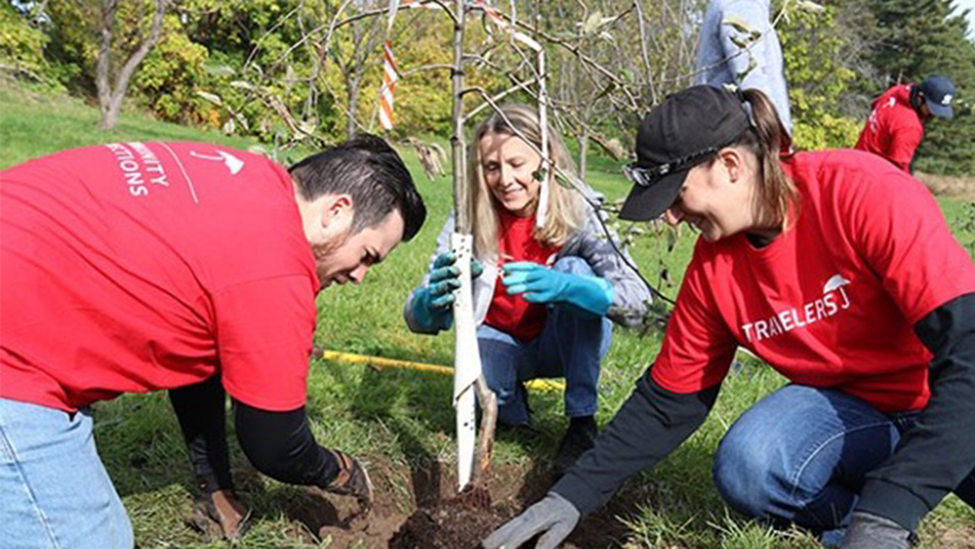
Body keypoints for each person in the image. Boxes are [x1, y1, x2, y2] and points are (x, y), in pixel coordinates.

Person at [483, 85, 975, 549]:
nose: (672, 217)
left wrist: (891, 507)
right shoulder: (714, 268)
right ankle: (859, 521)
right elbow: (669, 402)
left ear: (731, 165)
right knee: (752, 462)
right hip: (850, 415)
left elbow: (970, 356)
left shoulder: (864, 195)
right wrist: (573, 495)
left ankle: (898, 497)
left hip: (949, 398)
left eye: (677, 195)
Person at [0, 135, 427, 549]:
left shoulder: (249, 179)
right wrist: (339, 470)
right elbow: (275, 444)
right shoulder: (276, 269)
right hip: (12, 359)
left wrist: (214, 483)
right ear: (336, 210)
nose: (358, 277)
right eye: (367, 255)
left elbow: (197, 355)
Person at [403, 104, 650, 472]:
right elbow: (416, 316)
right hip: (500, 339)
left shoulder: (580, 209)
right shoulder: (469, 214)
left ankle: (582, 421)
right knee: (493, 402)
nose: (504, 179)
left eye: (517, 164)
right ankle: (511, 404)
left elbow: (638, 302)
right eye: (491, 167)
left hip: (560, 341)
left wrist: (570, 287)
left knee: (575, 268)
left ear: (546, 159)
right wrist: (430, 303)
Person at [696, 0, 793, 134]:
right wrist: (775, 138)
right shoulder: (743, 4)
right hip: (742, 139)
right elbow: (752, 79)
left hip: (728, 134)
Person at [854, 75, 955, 173]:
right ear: (920, 98)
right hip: (871, 174)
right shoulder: (910, 126)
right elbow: (897, 169)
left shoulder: (896, 91)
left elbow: (875, 105)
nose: (934, 115)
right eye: (931, 109)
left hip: (855, 159)